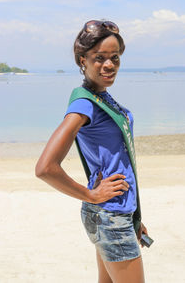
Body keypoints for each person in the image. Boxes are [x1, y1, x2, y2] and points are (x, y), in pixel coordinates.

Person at [35, 20, 148, 283]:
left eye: (115, 58)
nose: (109, 65)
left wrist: (134, 216)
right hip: (110, 215)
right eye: (99, 58)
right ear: (81, 60)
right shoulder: (84, 104)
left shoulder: (100, 95)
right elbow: (45, 168)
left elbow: (118, 161)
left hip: (114, 213)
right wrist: (90, 194)